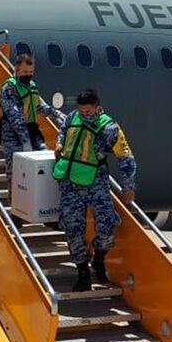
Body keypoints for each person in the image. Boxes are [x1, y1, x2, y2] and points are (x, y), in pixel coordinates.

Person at [53, 89, 137, 291]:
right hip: (70, 183)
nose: (84, 115)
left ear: (97, 108)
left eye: (88, 112)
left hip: (95, 183)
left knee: (108, 222)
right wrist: (59, 143)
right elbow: (63, 129)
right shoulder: (72, 117)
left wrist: (129, 186)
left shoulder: (109, 127)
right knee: (72, 228)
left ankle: (99, 257)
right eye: (81, 111)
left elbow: (126, 158)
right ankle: (83, 273)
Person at [0, 53, 66, 181]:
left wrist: (56, 114)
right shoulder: (9, 88)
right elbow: (14, 117)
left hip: (31, 131)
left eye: (31, 72)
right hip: (13, 135)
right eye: (25, 72)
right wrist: (26, 142)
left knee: (45, 160)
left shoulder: (31, 86)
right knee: (16, 173)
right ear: (17, 70)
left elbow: (37, 107)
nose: (28, 75)